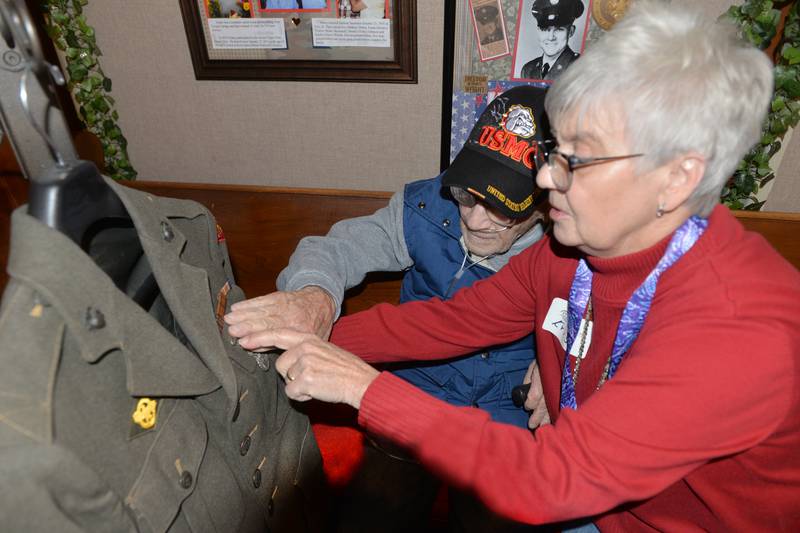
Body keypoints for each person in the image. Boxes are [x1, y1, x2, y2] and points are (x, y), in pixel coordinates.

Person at [231, 1, 800, 530]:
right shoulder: (573, 250)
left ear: (678, 178)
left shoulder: (737, 332)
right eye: (553, 154)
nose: (546, 178)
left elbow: (550, 480)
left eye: (575, 160)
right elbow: (446, 323)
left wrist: (363, 387)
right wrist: (295, 332)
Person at [226, 86, 549, 531]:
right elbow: (337, 249)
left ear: (543, 204)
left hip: (502, 418)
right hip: (409, 397)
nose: (473, 220)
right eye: (467, 194)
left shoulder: (570, 249)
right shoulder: (424, 205)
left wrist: (562, 372)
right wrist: (313, 294)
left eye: (502, 209)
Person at [520, 0, 584, 81]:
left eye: (559, 30)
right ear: (538, 31)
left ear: (571, 31)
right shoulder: (527, 70)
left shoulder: (579, 68)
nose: (550, 37)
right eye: (545, 29)